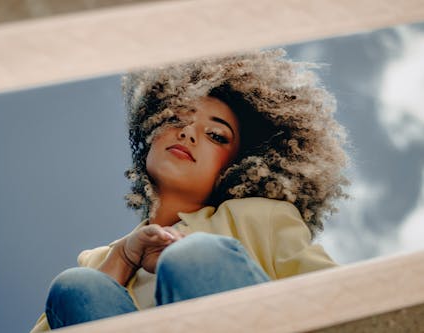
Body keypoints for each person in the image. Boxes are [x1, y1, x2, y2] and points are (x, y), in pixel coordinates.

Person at [30, 49, 349, 332]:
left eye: (216, 135)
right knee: (77, 286)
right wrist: (123, 258)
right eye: (175, 119)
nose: (187, 133)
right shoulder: (98, 261)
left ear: (236, 165)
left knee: (193, 256)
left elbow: (344, 303)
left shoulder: (261, 218)